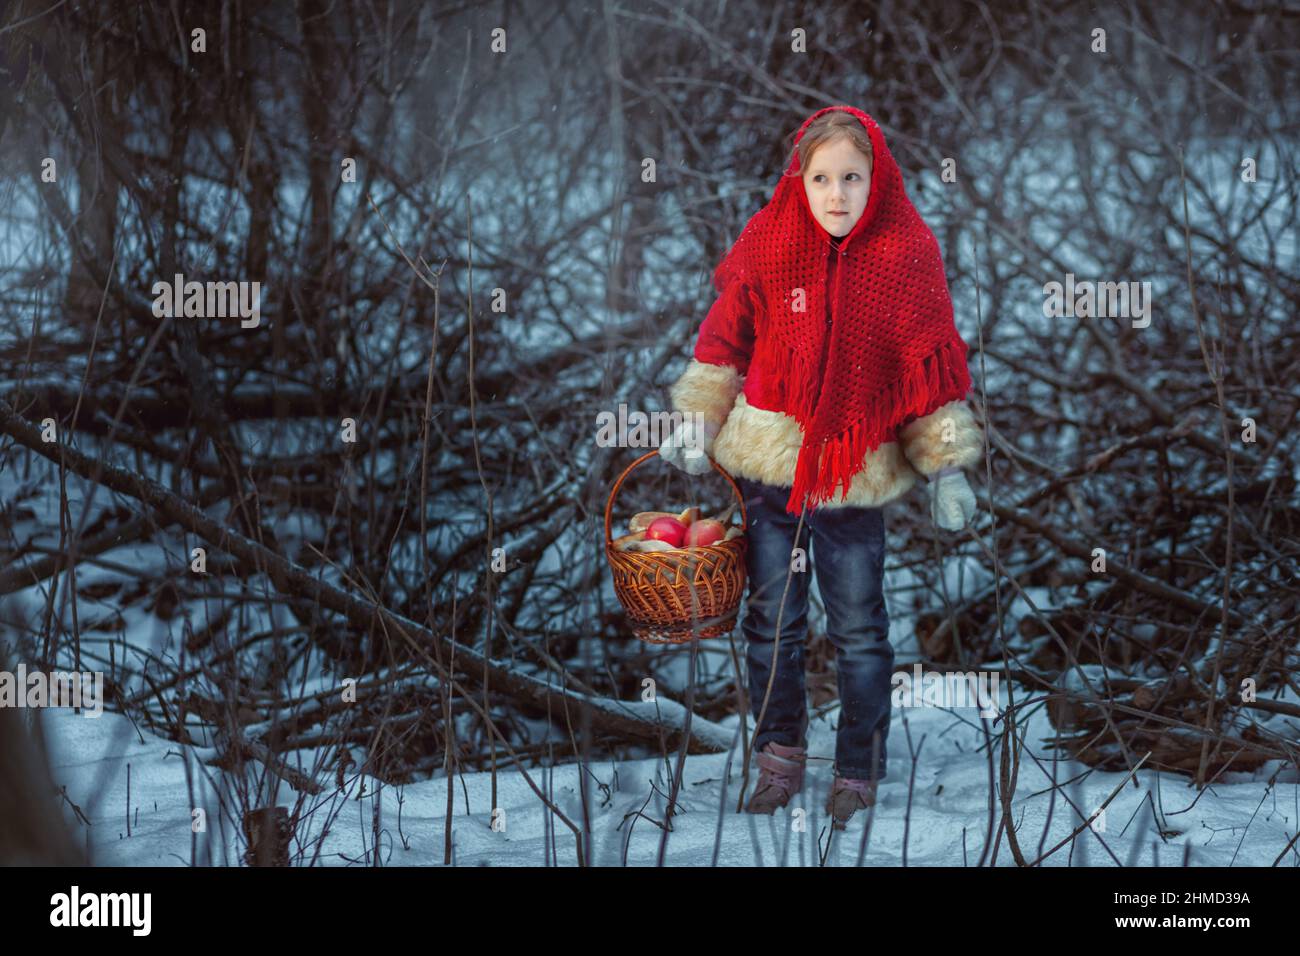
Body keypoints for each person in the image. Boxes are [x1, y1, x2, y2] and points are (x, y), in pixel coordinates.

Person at [659, 105, 984, 830]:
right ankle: (777, 757)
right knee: (772, 620)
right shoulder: (772, 242)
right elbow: (724, 338)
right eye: (822, 178)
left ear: (880, 181)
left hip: (852, 476)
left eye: (853, 178)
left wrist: (947, 468)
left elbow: (928, 375)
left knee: (861, 626)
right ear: (798, 181)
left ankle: (857, 769)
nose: (837, 194)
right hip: (770, 466)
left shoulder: (906, 254)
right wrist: (698, 416)